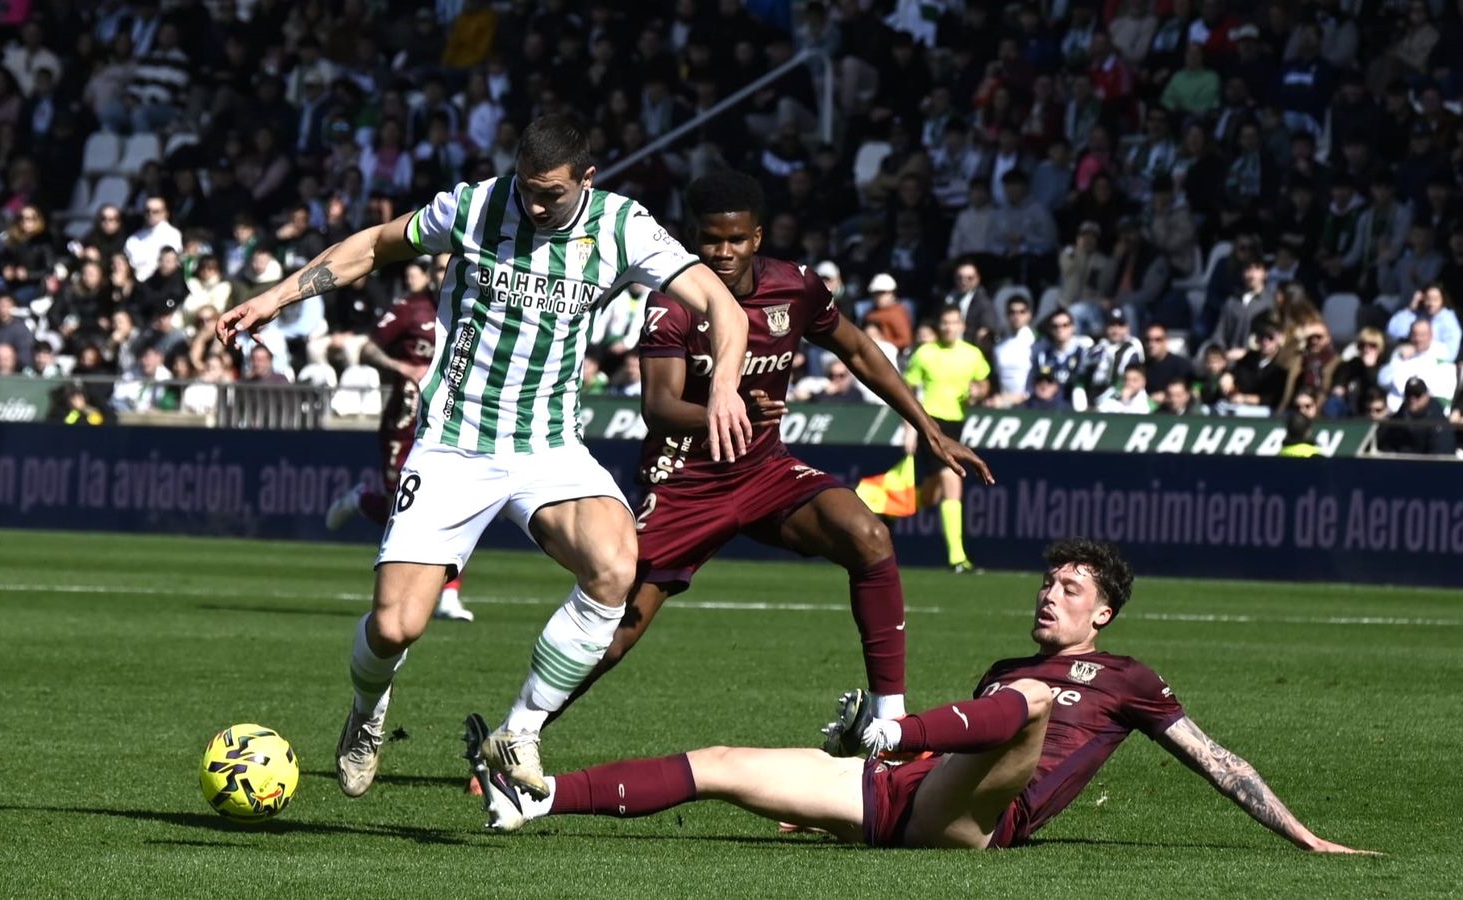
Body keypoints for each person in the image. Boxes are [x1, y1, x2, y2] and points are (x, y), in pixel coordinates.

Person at [218, 114, 754, 802]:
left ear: (586, 181)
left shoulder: (623, 226)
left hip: (549, 445)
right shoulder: (473, 206)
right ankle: (367, 711)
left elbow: (722, 305)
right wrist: (277, 296)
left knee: (617, 567)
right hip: (454, 444)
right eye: (527, 189)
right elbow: (375, 246)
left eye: (551, 195)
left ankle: (521, 731)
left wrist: (726, 390)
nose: (534, 205)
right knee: (394, 625)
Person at [465, 539, 1375, 856]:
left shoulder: (1123, 678)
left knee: (1030, 703)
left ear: (1105, 610)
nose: (1050, 594)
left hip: (982, 820)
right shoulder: (1000, 670)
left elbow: (1218, 759)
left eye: (1070, 588)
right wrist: (830, 804)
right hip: (909, 792)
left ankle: (880, 728)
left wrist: (1302, 835)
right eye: (1048, 582)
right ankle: (535, 795)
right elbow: (957, 742)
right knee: (722, 764)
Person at [542, 172, 990, 733]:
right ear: (691, 239)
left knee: (868, 536)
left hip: (763, 470)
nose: (722, 253)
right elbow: (658, 407)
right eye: (710, 240)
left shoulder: (795, 287)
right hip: (686, 483)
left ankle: (888, 726)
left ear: (757, 237)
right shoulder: (673, 303)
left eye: (735, 240)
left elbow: (856, 347)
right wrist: (726, 414)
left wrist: (927, 428)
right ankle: (522, 730)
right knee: (618, 632)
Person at [325, 255, 473, 623]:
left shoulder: (474, 303)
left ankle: (449, 595)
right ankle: (364, 500)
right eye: (438, 269)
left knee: (455, 506)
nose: (443, 274)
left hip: (454, 418)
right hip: (405, 417)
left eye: (448, 268)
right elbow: (369, 348)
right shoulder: (410, 308)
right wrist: (401, 367)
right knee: (400, 509)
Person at [904, 305, 991, 573]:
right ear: (939, 325)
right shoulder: (925, 353)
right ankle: (958, 558)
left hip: (957, 424)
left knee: (932, 494)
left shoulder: (972, 354)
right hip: (931, 425)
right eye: (945, 322)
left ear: (962, 326)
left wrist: (978, 392)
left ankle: (885, 508)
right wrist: (909, 428)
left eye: (954, 322)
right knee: (952, 483)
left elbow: (984, 383)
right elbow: (906, 391)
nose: (949, 327)